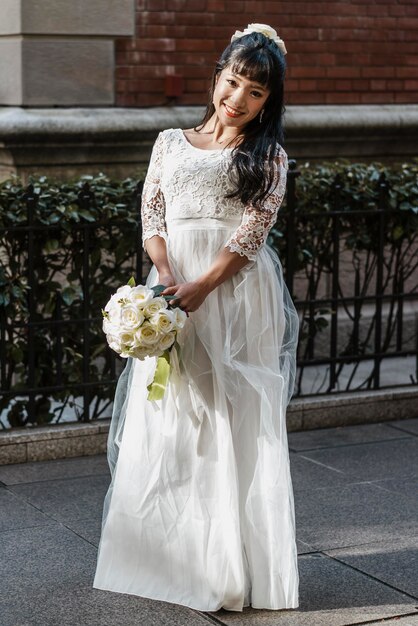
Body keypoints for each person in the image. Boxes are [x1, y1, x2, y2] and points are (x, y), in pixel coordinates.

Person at [93, 23, 300, 613]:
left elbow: (254, 230)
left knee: (226, 411)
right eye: (232, 82)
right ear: (218, 78)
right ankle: (157, 557)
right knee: (169, 408)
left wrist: (205, 283)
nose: (238, 99)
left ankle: (226, 567)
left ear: (269, 101)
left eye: (255, 92)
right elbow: (152, 209)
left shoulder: (269, 156)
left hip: (230, 289)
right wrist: (162, 274)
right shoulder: (168, 141)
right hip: (172, 279)